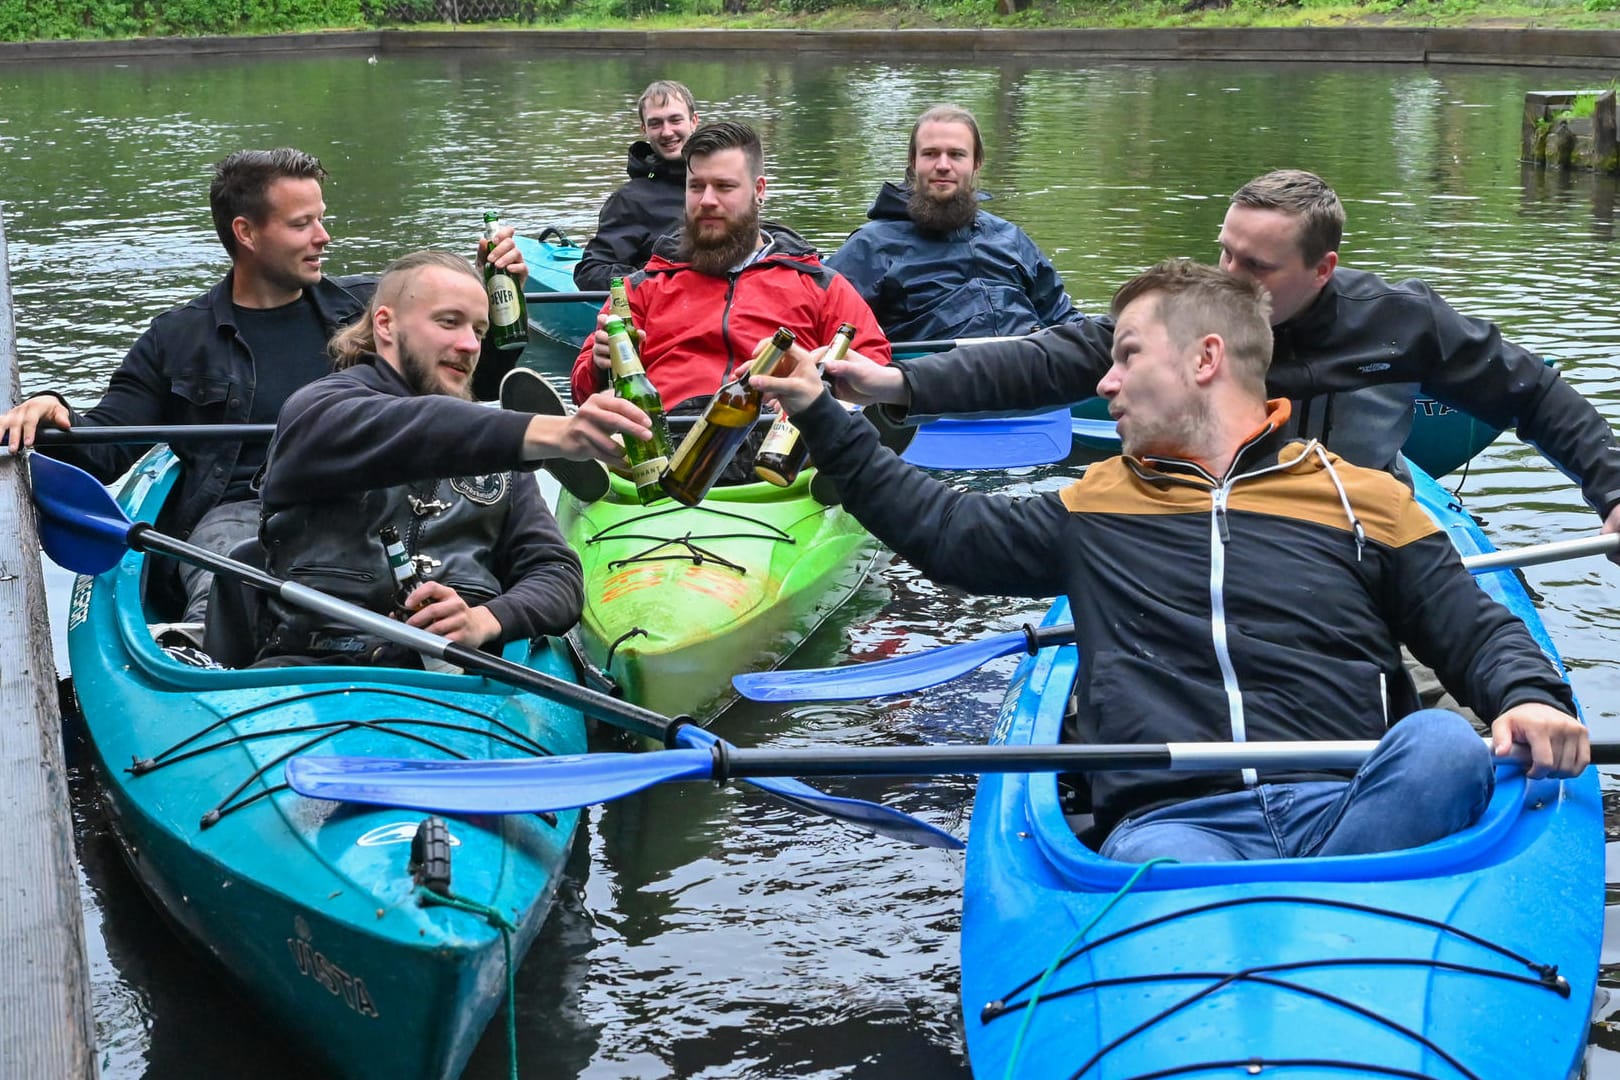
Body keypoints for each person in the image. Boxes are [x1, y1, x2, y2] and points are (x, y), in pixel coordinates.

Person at [753, 259, 1589, 864]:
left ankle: (1325, 912)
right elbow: (951, 534)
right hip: (1182, 824)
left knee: (1442, 743)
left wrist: (1528, 696)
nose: (1106, 384)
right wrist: (827, 418)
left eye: (1125, 357)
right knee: (1164, 862)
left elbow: (1475, 629)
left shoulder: (1363, 496)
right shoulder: (1098, 503)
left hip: (1350, 799)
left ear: (1204, 360)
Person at [825, 169, 1620, 562]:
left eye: (1256, 268)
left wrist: (1613, 491)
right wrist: (901, 382)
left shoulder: (1402, 321)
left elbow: (1534, 394)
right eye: (1223, 253)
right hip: (1207, 532)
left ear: (1323, 269)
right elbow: (1052, 358)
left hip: (1360, 539)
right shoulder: (1191, 308)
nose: (1227, 280)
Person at [0, 147, 534, 625]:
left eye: (321, 219)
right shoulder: (177, 337)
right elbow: (108, 446)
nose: (324, 237)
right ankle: (203, 648)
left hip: (373, 500)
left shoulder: (371, 310)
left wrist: (497, 297)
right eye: (303, 224)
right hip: (240, 516)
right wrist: (52, 412)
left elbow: (472, 382)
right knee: (229, 569)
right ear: (246, 233)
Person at [254, 250, 652, 667]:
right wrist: (556, 432)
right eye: (449, 322)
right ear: (385, 324)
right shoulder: (316, 412)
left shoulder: (505, 456)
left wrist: (484, 620)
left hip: (459, 684)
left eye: (480, 331)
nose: (469, 345)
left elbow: (558, 576)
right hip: (305, 677)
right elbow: (416, 426)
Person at [571, 119, 890, 484]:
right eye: (696, 187)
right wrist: (598, 367)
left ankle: (846, 474)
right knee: (612, 408)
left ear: (759, 190)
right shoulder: (640, 288)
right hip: (666, 443)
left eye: (724, 187)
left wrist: (827, 382)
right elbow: (583, 388)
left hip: (779, 446)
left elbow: (873, 366)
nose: (707, 201)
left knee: (827, 424)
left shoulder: (819, 284)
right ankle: (590, 466)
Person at [825, 104, 1085, 342]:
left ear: (976, 164)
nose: (943, 165)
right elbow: (822, 325)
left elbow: (1063, 318)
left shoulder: (1010, 238)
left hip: (1028, 371)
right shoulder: (872, 246)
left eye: (956, 154)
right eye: (930, 154)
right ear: (914, 163)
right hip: (928, 378)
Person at [574, 80, 701, 293]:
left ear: (693, 121)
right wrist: (661, 280)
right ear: (644, 129)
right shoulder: (629, 200)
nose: (667, 132)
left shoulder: (721, 184)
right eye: (655, 124)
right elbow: (591, 272)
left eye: (675, 120)